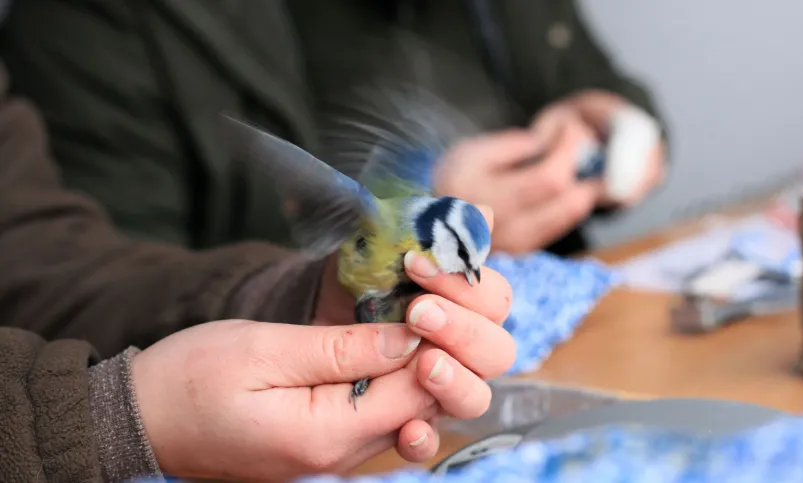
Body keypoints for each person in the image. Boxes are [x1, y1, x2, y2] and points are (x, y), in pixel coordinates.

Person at [0, 65, 516, 481]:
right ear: (437, 231)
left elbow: (32, 254)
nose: (468, 273)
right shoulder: (384, 218)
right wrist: (109, 416)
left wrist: (291, 301)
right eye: (462, 258)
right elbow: (317, 179)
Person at [0, 0, 668, 259]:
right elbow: (100, 318)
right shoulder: (89, 24)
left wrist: (612, 122)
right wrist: (404, 225)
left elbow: (591, 79)